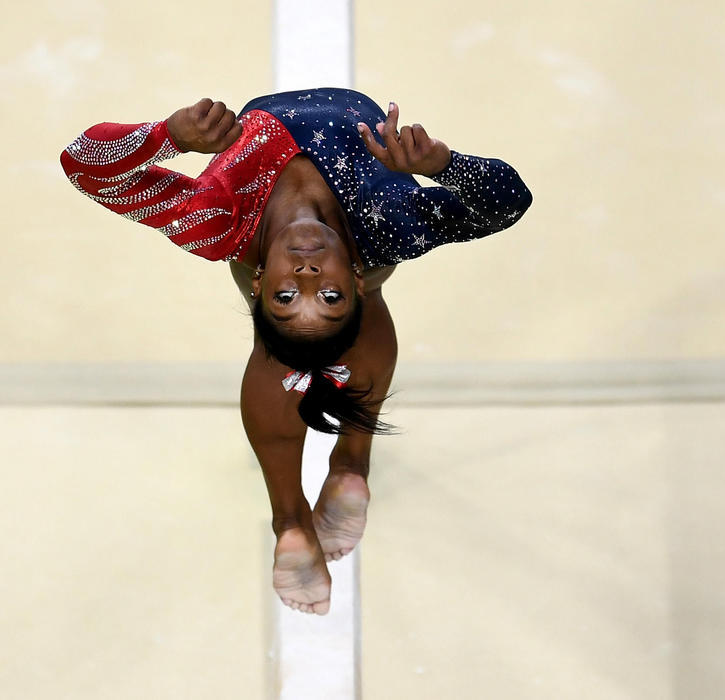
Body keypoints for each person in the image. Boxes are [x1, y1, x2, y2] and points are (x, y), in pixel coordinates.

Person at [61, 88, 532, 615]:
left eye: (287, 297)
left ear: (261, 282)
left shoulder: (216, 221)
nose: (307, 277)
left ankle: (290, 521)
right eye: (329, 297)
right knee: (351, 309)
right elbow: (508, 202)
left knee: (291, 342)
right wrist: (443, 164)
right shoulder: (390, 223)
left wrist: (167, 136)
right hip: (364, 237)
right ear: (349, 278)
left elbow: (82, 164)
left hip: (256, 228)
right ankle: (352, 463)